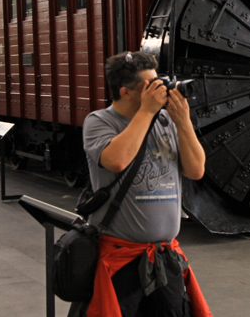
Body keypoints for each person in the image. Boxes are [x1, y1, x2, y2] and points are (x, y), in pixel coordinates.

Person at [81, 51, 211, 317]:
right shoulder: (99, 122)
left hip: (164, 258)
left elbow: (196, 170)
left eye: (159, 82)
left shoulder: (166, 123)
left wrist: (183, 121)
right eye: (150, 86)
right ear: (126, 92)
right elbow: (116, 160)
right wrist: (147, 111)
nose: (160, 90)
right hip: (121, 260)